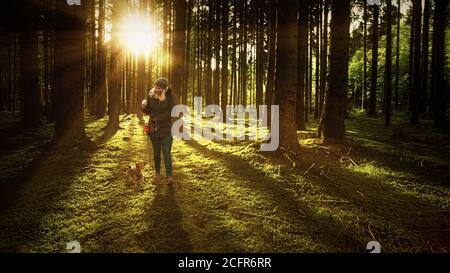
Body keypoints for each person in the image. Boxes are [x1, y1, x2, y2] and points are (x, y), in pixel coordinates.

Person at [141, 78, 175, 184]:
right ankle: (157, 173)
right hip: (153, 129)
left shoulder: (170, 97)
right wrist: (144, 107)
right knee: (156, 152)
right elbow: (148, 111)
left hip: (167, 129)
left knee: (166, 152)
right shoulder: (151, 96)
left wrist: (157, 119)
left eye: (159, 88)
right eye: (155, 87)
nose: (156, 89)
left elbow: (171, 112)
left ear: (164, 89)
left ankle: (169, 176)